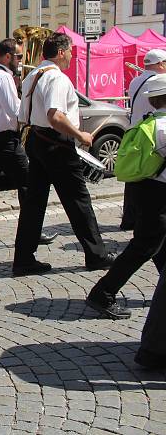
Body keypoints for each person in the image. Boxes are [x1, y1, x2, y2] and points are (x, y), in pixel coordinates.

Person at [12, 32, 115, 276]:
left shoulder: (32, 76)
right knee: (78, 200)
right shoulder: (57, 78)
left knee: (33, 204)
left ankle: (23, 259)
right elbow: (55, 116)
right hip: (56, 144)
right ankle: (96, 255)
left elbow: (21, 115)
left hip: (37, 140)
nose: (70, 55)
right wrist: (81, 136)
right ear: (60, 52)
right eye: (69, 51)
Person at [0, 39, 58, 251]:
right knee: (30, 185)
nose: (21, 61)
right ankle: (32, 233)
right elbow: (16, 111)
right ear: (7, 56)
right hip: (3, 141)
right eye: (18, 57)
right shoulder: (3, 77)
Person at [86, 73, 166, 319]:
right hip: (159, 195)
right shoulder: (164, 127)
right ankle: (103, 292)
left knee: (158, 247)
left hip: (145, 189)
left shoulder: (149, 121)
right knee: (144, 247)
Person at [120, 49, 166, 230]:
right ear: (161, 63)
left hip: (135, 130)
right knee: (152, 174)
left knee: (134, 175)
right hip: (153, 131)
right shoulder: (158, 83)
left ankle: (129, 218)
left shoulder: (135, 81)